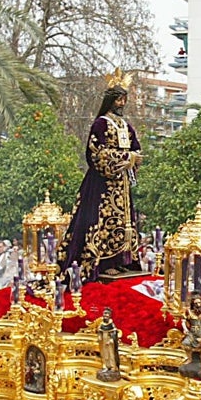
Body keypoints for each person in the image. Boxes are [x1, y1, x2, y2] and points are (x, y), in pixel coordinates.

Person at [60, 84, 142, 283]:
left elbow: (136, 148)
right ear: (110, 100)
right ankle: (103, 262)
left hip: (122, 183)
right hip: (102, 183)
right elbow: (97, 152)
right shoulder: (101, 124)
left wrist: (134, 157)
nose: (122, 104)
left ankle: (123, 259)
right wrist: (125, 157)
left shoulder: (125, 125)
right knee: (103, 219)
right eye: (118, 99)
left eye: (124, 99)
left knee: (125, 221)